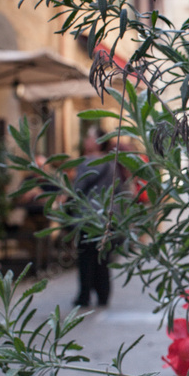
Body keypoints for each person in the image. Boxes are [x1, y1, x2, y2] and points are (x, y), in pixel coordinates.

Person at [73, 126, 118, 309]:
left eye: (89, 137)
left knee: (85, 258)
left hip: (87, 217)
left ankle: (84, 296)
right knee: (103, 257)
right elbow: (118, 189)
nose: (86, 140)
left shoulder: (86, 163)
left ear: (98, 142)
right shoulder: (111, 163)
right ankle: (103, 295)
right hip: (106, 217)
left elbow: (77, 189)